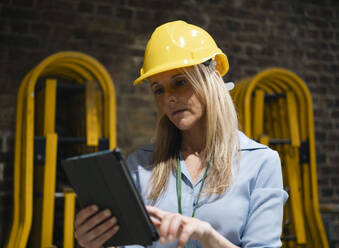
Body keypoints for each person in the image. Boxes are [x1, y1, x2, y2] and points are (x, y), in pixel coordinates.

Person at [74, 20, 289, 248]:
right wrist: (94, 243)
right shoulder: (140, 166)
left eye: (180, 82)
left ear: (213, 78)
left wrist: (207, 236)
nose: (168, 98)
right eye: (158, 89)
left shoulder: (260, 163)